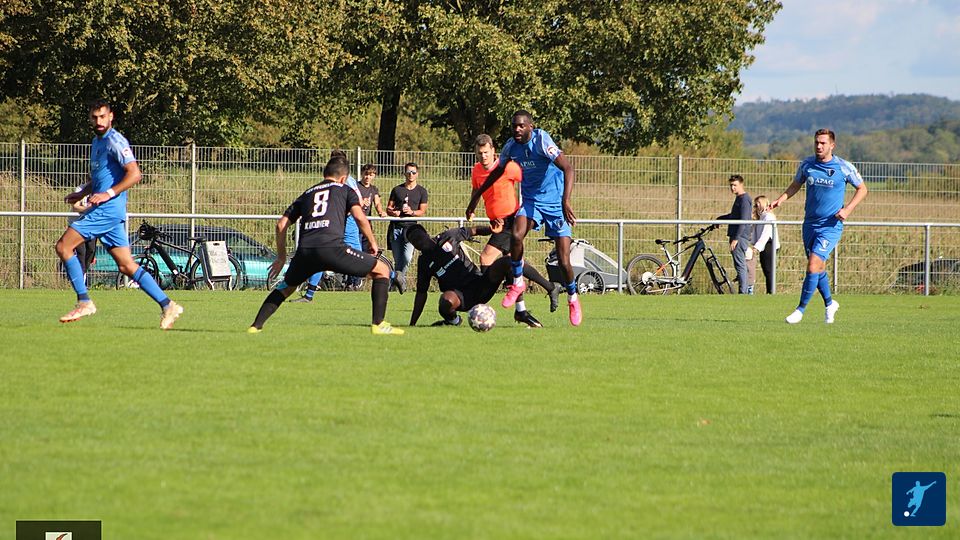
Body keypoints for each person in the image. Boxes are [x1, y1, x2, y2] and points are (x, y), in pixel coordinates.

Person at [55, 99, 182, 329]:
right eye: (95, 117)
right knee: (126, 265)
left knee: (64, 247)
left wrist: (108, 194)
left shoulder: (115, 141)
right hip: (108, 212)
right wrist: (83, 192)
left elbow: (135, 174)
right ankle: (168, 305)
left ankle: (84, 302)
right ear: (90, 118)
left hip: (107, 210)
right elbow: (101, 178)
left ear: (111, 116)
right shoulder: (97, 141)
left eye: (102, 116)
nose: (99, 121)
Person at [248, 157, 403, 335]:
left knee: (286, 288)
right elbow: (360, 217)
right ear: (344, 178)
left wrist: (282, 257)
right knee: (382, 270)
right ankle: (379, 324)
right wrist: (373, 242)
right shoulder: (346, 190)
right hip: (332, 249)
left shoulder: (308, 193)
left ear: (324, 174)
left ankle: (255, 326)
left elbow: (281, 225)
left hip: (305, 252)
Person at [465, 110, 582, 326]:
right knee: (516, 236)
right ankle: (518, 282)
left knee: (564, 260)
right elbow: (496, 173)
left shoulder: (542, 140)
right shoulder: (511, 146)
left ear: (530, 126)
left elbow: (568, 168)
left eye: (521, 125)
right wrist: (475, 199)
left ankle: (573, 298)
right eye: (514, 126)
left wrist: (565, 201)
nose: (517, 129)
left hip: (555, 203)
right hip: (531, 201)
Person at [770, 128, 868, 324]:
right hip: (809, 224)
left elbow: (862, 189)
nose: (819, 146)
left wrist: (847, 209)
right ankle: (830, 304)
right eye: (816, 142)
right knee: (818, 267)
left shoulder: (843, 167)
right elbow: (796, 184)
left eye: (823, 143)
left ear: (832, 145)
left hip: (830, 226)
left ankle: (800, 310)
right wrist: (781, 199)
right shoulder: (807, 165)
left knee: (813, 264)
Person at [469, 133, 562, 314]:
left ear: (493, 151)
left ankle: (483, 297)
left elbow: (529, 177)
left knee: (486, 257)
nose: (483, 156)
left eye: (486, 152)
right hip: (497, 223)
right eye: (480, 153)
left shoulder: (508, 167)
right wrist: (471, 206)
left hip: (511, 220)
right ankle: (529, 304)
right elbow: (477, 189)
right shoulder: (476, 170)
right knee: (514, 264)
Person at [405, 223, 544, 328]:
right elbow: (421, 292)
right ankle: (453, 321)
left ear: (425, 233)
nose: (417, 241)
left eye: (418, 236)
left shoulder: (447, 237)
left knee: (507, 261)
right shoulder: (424, 262)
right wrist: (413, 324)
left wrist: (491, 229)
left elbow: (474, 230)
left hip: (479, 285)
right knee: (446, 300)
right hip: (461, 297)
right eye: (413, 240)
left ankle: (545, 289)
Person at [292, 150, 370, 300]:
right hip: (333, 222)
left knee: (356, 256)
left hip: (347, 223)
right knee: (320, 256)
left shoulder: (347, 181)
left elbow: (358, 204)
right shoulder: (329, 182)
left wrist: (342, 213)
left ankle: (387, 277)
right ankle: (309, 294)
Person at [386, 162, 429, 282]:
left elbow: (422, 211)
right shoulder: (397, 190)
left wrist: (411, 212)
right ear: (404, 173)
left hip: (411, 229)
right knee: (397, 259)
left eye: (413, 172)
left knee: (407, 258)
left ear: (417, 174)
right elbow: (388, 208)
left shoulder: (422, 191)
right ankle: (398, 283)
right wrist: (394, 212)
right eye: (408, 172)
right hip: (396, 227)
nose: (411, 175)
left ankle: (398, 280)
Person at [716, 174, 753, 294]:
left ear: (741, 185)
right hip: (737, 236)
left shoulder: (744, 199)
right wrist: (720, 219)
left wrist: (736, 239)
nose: (732, 188)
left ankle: (743, 293)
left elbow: (743, 220)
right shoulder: (739, 198)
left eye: (735, 185)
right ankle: (744, 291)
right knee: (739, 265)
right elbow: (734, 216)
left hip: (740, 237)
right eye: (731, 185)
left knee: (740, 265)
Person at [751, 195, 780, 294]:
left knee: (769, 270)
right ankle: (769, 291)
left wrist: (757, 247)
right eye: (756, 203)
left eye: (759, 202)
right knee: (766, 269)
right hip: (763, 246)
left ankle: (771, 291)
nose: (756, 204)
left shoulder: (768, 216)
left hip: (769, 245)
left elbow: (766, 234)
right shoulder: (761, 217)